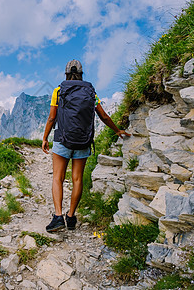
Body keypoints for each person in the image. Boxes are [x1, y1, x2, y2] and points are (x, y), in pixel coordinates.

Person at [42, 59, 130, 233]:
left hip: (62, 140)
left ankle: (58, 217)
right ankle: (71, 216)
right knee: (77, 179)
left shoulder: (58, 91)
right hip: (83, 140)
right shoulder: (90, 92)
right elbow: (103, 116)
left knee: (57, 178)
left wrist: (45, 137)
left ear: (66, 73)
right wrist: (117, 130)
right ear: (81, 74)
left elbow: (52, 118)